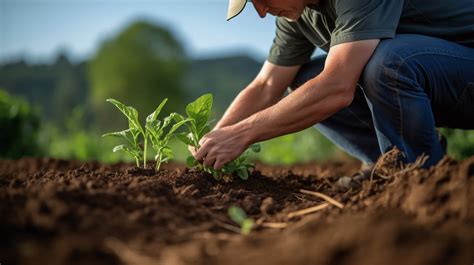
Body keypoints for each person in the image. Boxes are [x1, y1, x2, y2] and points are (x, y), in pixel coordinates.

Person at [193, 0, 474, 175]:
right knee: (305, 80)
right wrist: (215, 138)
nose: (262, 12)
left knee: (388, 63)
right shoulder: (297, 16)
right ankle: (389, 166)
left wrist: (242, 134)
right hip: (437, 83)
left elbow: (337, 86)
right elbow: (266, 85)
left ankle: (422, 174)